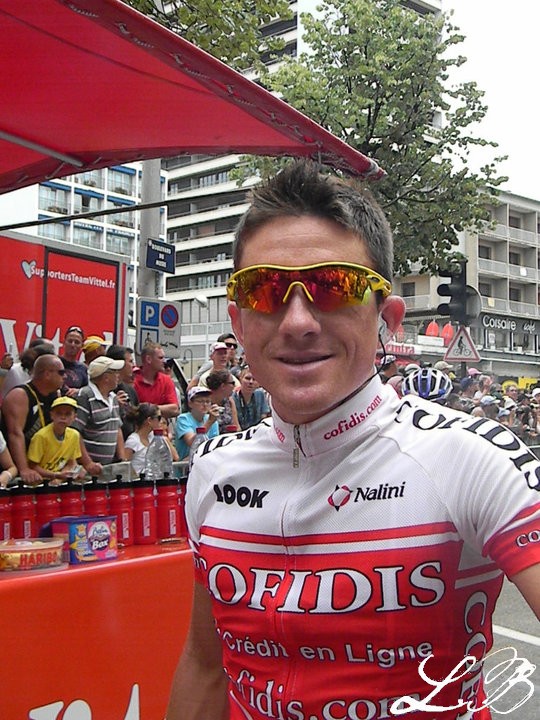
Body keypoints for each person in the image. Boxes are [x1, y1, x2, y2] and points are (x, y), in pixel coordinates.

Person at [167, 161, 540, 720]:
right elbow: (205, 665)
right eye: (265, 290)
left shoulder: (472, 458)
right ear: (239, 323)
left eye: (334, 286)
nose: (297, 322)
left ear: (387, 318)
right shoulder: (213, 469)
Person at [0, 354, 66, 485]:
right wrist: (24, 469)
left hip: (43, 465)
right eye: (61, 372)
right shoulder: (20, 395)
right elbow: (15, 434)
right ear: (47, 374)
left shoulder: (56, 395)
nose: (64, 376)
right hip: (18, 467)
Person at [73, 356, 126, 466]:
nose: (118, 375)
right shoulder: (85, 395)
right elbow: (75, 433)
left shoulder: (113, 398)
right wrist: (88, 463)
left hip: (107, 467)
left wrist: (122, 460)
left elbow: (117, 429)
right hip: (87, 469)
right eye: (115, 372)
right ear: (106, 377)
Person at [27, 396, 85, 483]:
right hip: (39, 482)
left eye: (68, 414)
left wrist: (63, 476)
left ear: (74, 417)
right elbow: (32, 466)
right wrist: (55, 475)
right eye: (59, 413)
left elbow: (72, 462)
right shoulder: (41, 436)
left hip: (59, 480)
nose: (63, 417)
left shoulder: (74, 435)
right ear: (52, 415)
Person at [133, 342, 179, 419]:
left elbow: (175, 409)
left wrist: (147, 409)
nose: (164, 361)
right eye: (160, 358)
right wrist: (162, 409)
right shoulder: (133, 380)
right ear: (148, 359)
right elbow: (132, 410)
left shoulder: (166, 380)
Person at [174, 386, 220, 460]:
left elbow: (214, 445)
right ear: (190, 404)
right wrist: (209, 422)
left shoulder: (212, 420)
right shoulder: (183, 419)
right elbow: (192, 443)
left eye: (208, 401)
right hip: (185, 463)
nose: (204, 405)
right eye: (200, 401)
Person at [124, 403, 162, 476]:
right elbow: (125, 465)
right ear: (149, 420)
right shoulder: (133, 440)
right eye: (159, 418)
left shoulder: (153, 437)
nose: (161, 421)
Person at [60, 325, 88, 393]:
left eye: (77, 342)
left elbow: (87, 391)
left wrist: (78, 391)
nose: (73, 345)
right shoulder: (54, 363)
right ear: (64, 342)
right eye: (70, 341)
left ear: (81, 346)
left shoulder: (83, 368)